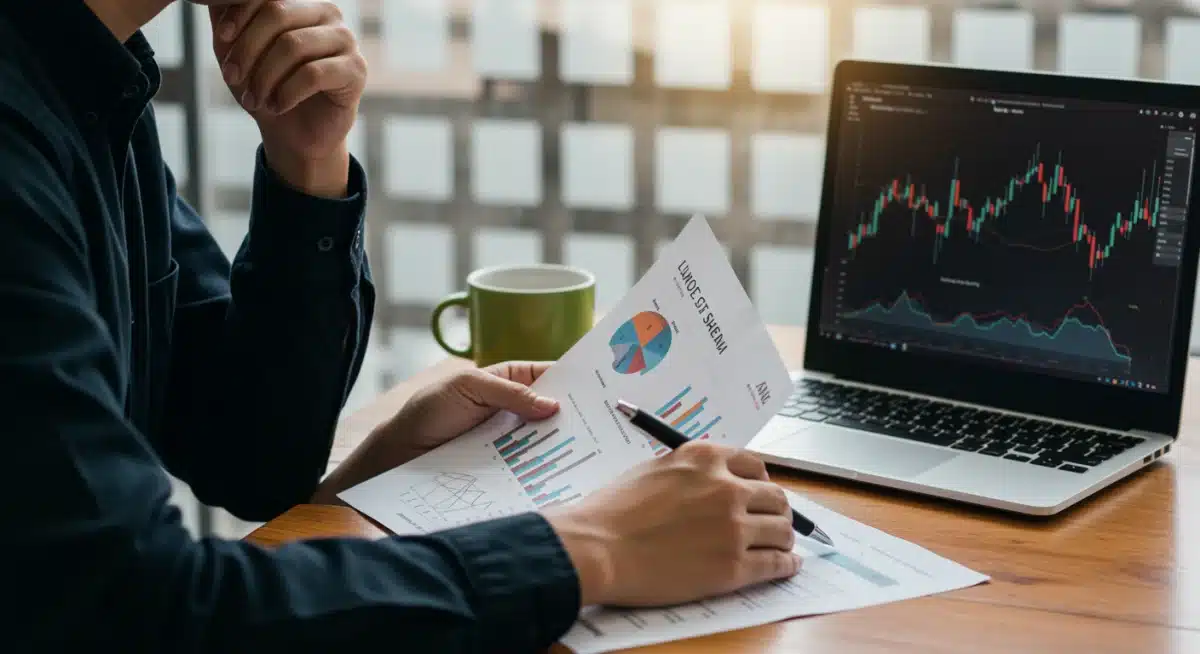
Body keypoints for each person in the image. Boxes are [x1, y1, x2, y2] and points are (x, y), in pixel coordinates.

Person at [1, 1, 801, 651]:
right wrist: (591, 547)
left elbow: (246, 460)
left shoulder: (90, 82)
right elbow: (139, 610)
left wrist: (308, 161)